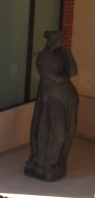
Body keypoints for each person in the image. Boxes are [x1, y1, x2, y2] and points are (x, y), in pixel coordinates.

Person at [24, 32, 78, 182]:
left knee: (67, 130)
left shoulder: (61, 55)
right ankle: (46, 162)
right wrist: (66, 75)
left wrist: (68, 54)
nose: (63, 40)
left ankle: (55, 162)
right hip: (51, 98)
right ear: (53, 40)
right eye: (60, 38)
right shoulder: (43, 58)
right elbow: (57, 79)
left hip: (68, 97)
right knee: (58, 132)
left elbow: (73, 72)